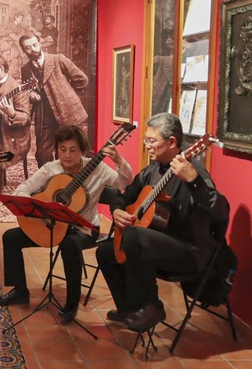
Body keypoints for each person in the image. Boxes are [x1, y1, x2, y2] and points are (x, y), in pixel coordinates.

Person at [96, 113, 228, 330]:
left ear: (172, 142)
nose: (147, 145)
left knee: (133, 236)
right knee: (106, 252)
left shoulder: (194, 173)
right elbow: (124, 196)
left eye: (151, 140)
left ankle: (152, 306)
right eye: (146, 140)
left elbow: (220, 212)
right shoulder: (152, 170)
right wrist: (117, 210)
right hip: (158, 245)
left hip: (189, 252)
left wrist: (194, 181)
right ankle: (129, 308)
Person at [0, 125, 133, 325]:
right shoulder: (51, 169)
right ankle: (20, 291)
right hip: (51, 225)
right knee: (11, 237)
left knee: (70, 245)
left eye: (73, 150)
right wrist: (37, 204)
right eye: (62, 149)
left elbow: (125, 183)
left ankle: (71, 303)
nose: (67, 155)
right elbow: (23, 189)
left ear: (83, 151)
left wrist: (119, 160)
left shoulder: (98, 168)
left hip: (84, 228)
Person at [19, 33, 89, 166]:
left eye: (35, 45)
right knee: (42, 154)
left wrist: (68, 94)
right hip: (44, 115)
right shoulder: (25, 69)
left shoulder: (58, 59)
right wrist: (30, 94)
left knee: (68, 152)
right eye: (28, 48)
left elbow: (82, 79)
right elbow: (27, 88)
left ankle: (70, 183)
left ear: (40, 44)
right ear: (23, 51)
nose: (33, 49)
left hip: (67, 112)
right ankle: (51, 183)